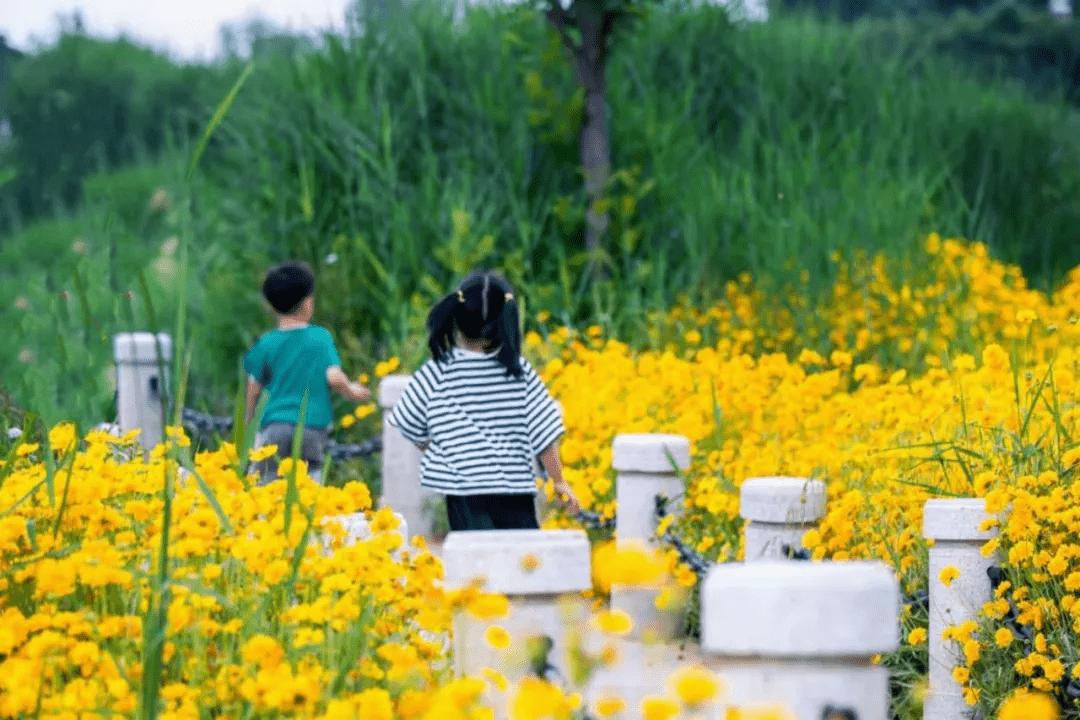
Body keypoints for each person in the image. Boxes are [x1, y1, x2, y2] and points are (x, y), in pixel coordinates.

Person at [389, 270, 581, 531]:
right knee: (520, 563)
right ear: (506, 319)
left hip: (464, 493)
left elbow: (408, 421)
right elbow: (544, 434)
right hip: (516, 491)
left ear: (456, 317)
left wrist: (444, 448)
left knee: (473, 565)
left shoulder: (437, 371)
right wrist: (559, 481)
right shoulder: (518, 371)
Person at [244, 261, 370, 484]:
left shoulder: (266, 343)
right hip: (311, 426)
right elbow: (334, 377)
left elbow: (253, 387)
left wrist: (249, 422)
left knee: (269, 480)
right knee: (309, 479)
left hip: (275, 425)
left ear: (271, 307)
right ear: (308, 303)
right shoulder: (320, 338)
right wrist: (352, 391)